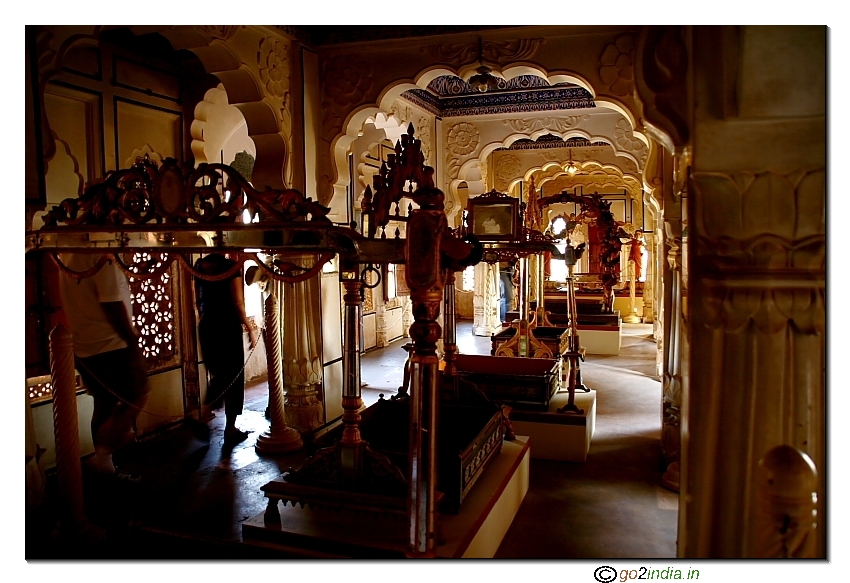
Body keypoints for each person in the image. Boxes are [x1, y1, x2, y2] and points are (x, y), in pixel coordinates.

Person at [58, 253, 150, 478]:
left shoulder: (68, 256)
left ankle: (106, 469)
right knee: (137, 395)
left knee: (104, 403)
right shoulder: (102, 256)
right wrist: (132, 339)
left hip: (84, 346)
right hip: (112, 344)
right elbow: (111, 303)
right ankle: (103, 456)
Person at [194, 253, 257, 443]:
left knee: (220, 373)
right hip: (226, 325)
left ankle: (205, 415)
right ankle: (227, 426)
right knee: (233, 376)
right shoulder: (230, 267)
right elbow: (238, 303)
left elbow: (197, 299)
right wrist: (249, 327)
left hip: (207, 324)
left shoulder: (199, 265)